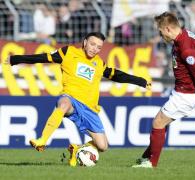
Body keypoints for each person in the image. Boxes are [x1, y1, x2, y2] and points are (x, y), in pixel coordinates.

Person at [6, 32, 151, 167]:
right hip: (71, 99)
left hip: (89, 109)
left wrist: (141, 81)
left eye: (99, 47)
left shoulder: (99, 63)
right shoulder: (68, 52)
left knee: (102, 146)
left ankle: (77, 150)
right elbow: (43, 57)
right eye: (92, 44)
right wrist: (16, 59)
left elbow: (117, 75)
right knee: (63, 104)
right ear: (85, 42)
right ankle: (42, 140)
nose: (95, 49)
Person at [132, 12, 195, 168]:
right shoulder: (185, 34)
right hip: (182, 91)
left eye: (161, 32)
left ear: (167, 29)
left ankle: (151, 163)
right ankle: (147, 157)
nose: (161, 35)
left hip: (185, 94)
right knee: (162, 123)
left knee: (158, 122)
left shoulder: (185, 48)